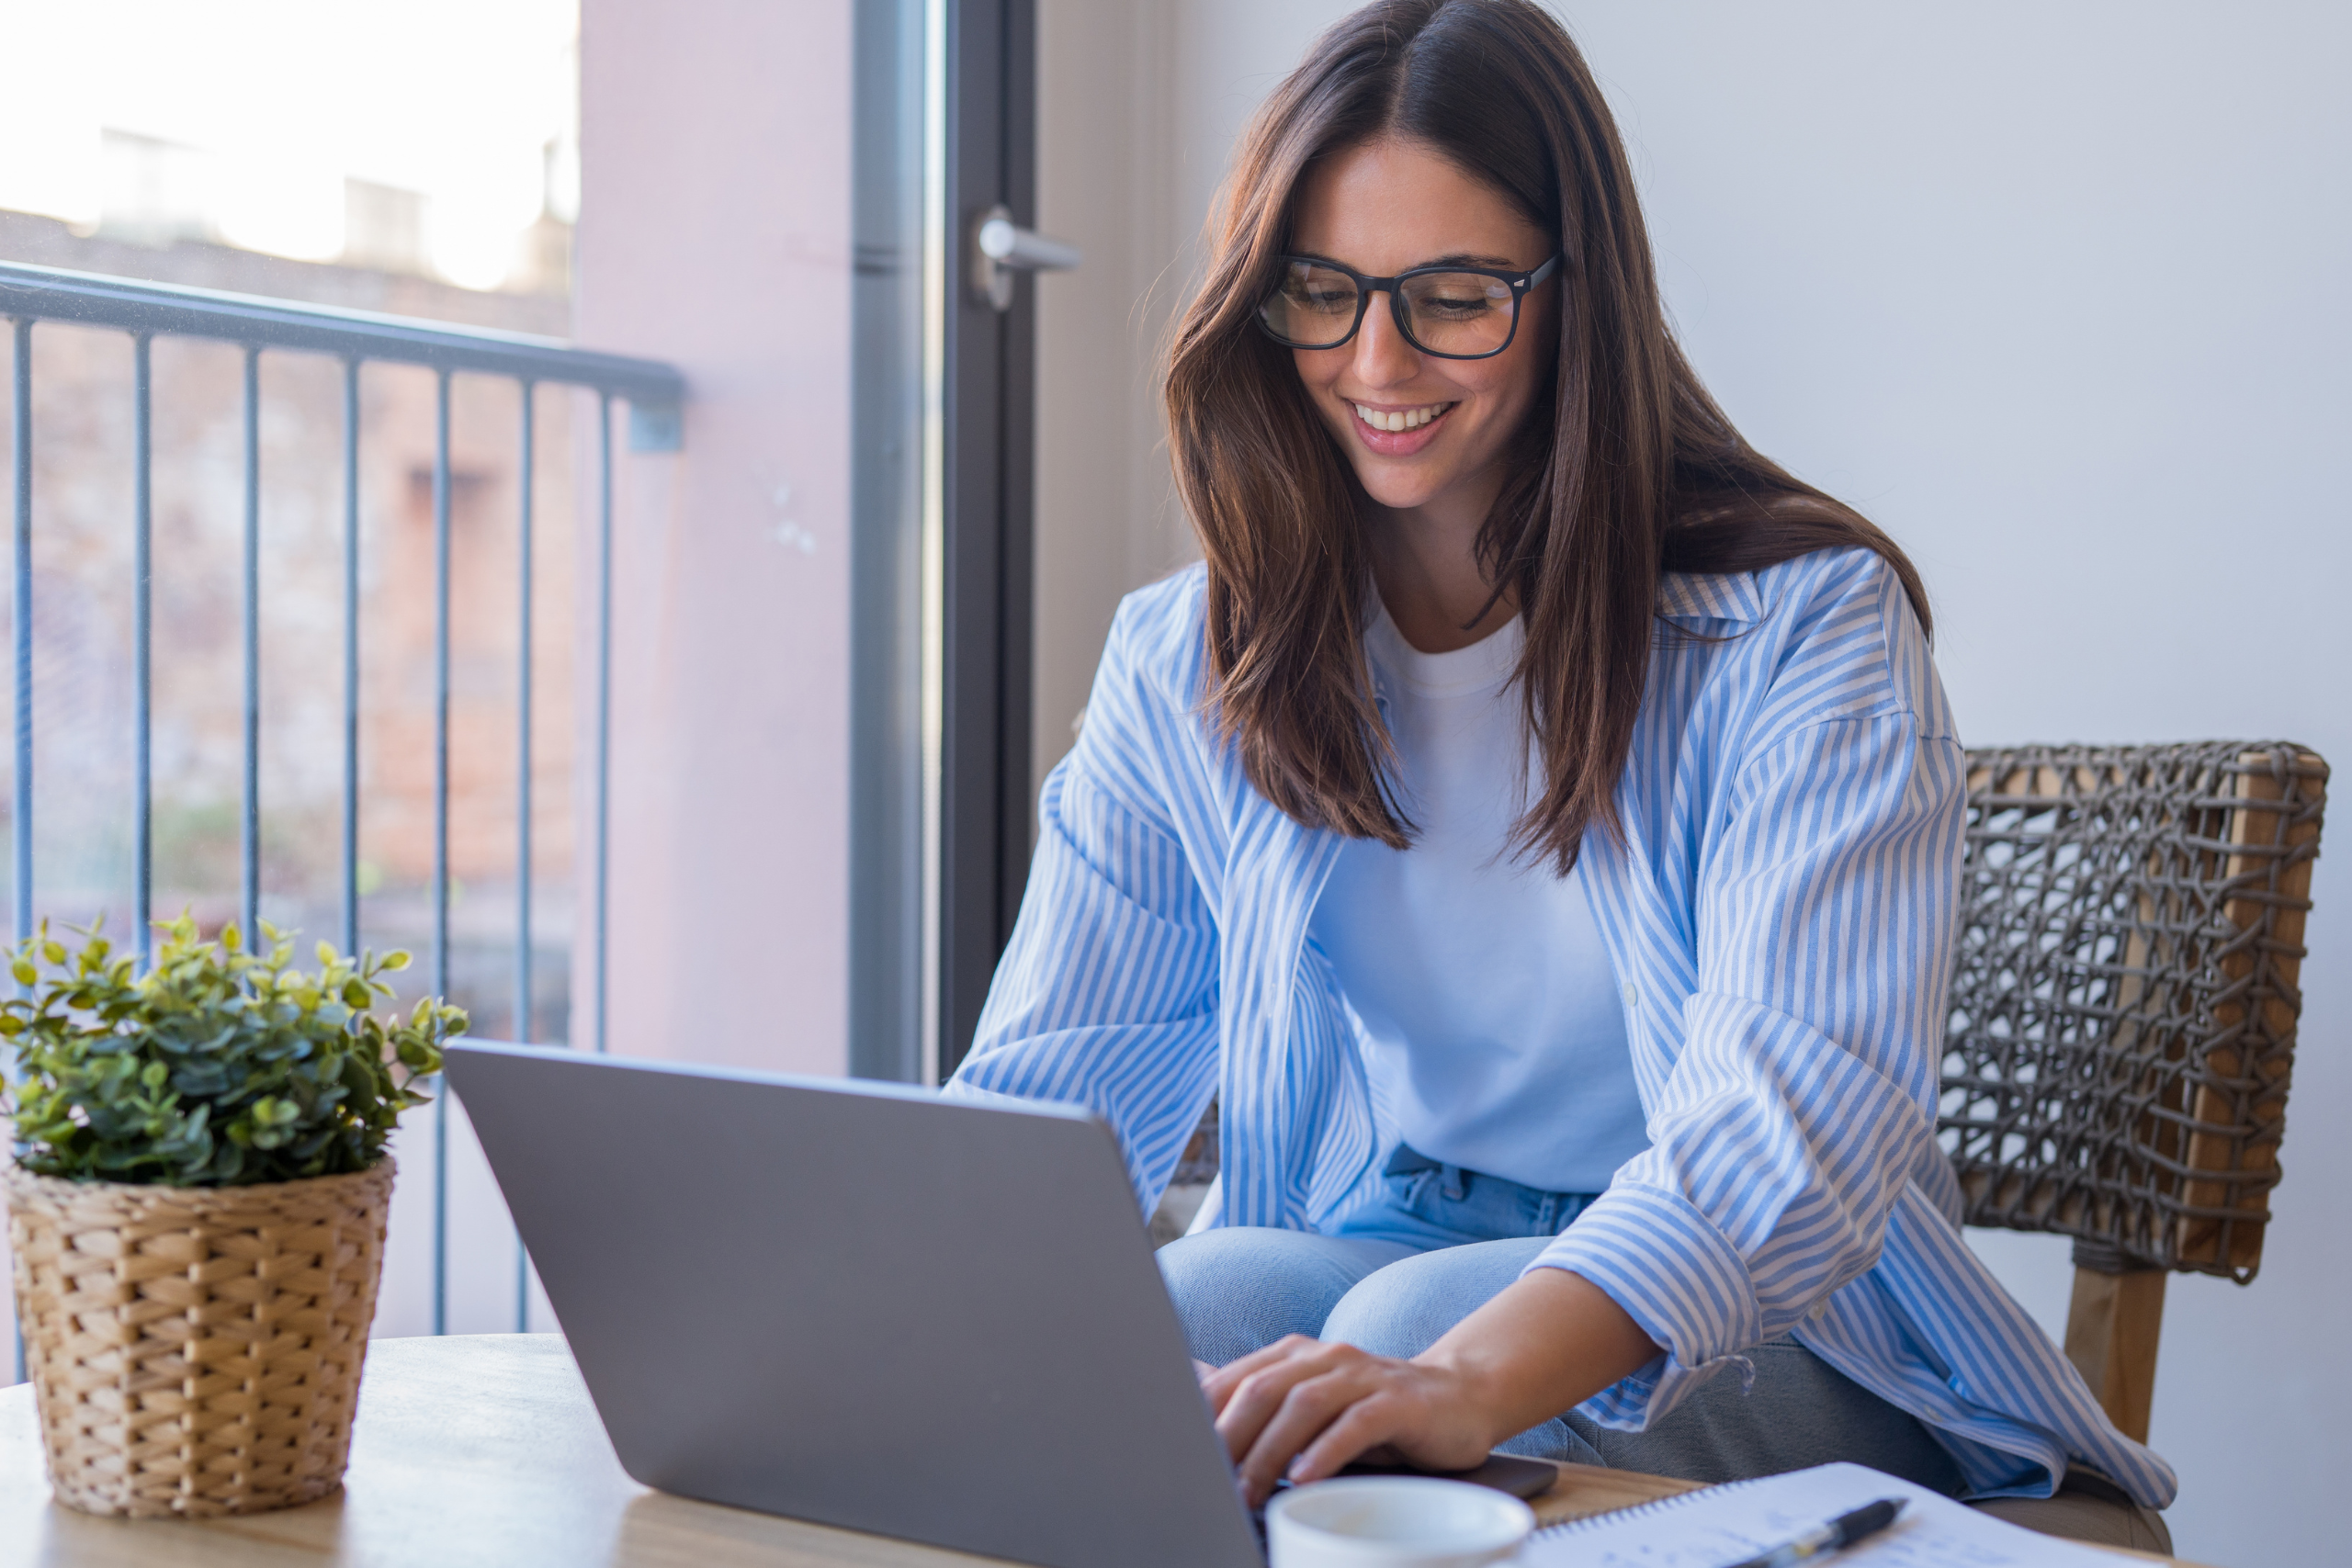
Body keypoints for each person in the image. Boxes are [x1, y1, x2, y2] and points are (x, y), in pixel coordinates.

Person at [948, 0, 2172, 1551]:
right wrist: (912, 1339)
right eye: (1319, 293)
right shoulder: (1185, 655)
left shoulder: (1805, 625)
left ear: (1577, 297)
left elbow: (1794, 1131)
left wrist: (1464, 1371)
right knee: (1193, 1303)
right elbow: (1049, 1094)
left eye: (1453, 296)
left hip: (1783, 1316)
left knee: (1403, 1324)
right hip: (1396, 1225)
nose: (1372, 361)